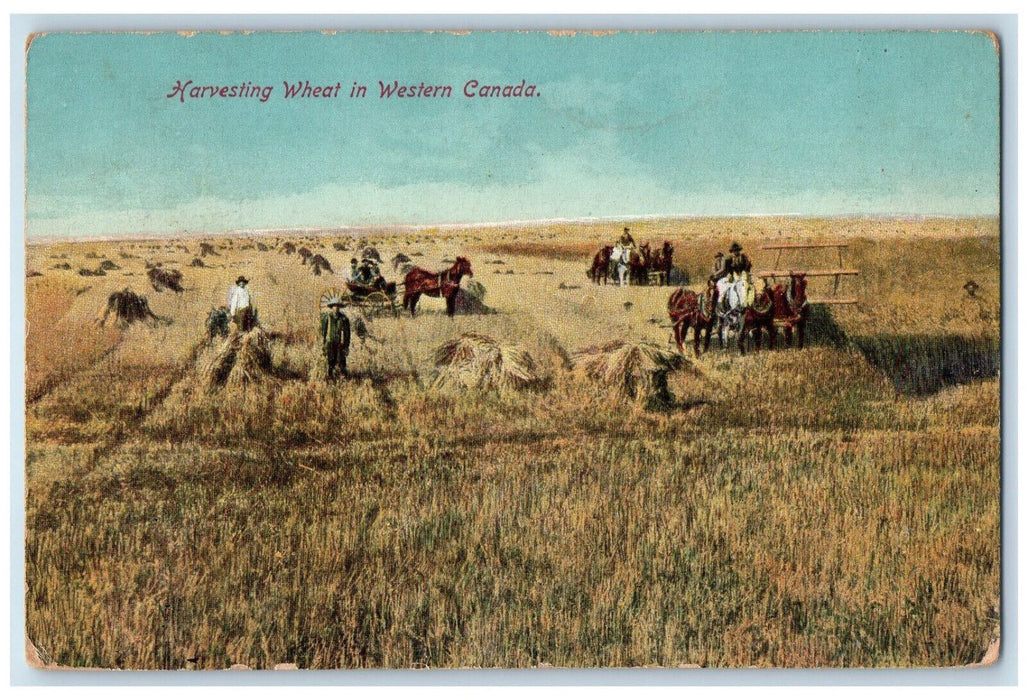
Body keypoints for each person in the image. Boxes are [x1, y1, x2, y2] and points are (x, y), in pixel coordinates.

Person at [320, 297, 351, 379]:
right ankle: (330, 377)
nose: (336, 308)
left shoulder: (344, 319)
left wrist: (346, 346)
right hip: (330, 342)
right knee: (330, 362)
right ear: (332, 307)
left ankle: (343, 379)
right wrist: (323, 344)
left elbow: (347, 334)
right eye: (334, 306)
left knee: (341, 362)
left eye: (337, 306)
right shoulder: (327, 317)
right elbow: (323, 332)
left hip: (340, 343)